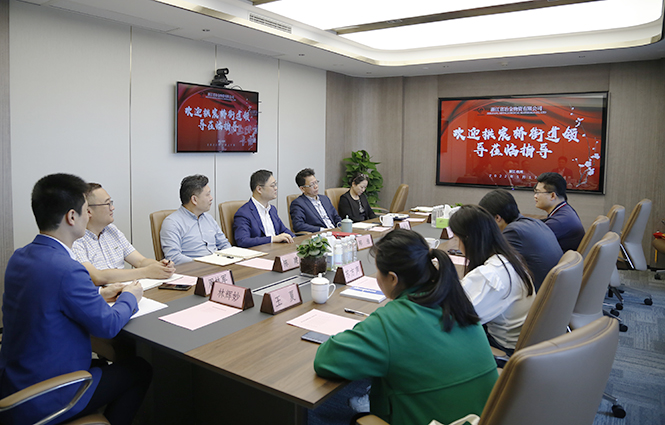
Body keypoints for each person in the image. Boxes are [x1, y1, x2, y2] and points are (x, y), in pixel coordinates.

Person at [0, 173, 151, 425]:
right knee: (139, 370)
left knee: (112, 366)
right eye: (85, 210)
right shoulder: (68, 269)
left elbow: (49, 300)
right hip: (46, 394)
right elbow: (108, 325)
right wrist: (130, 297)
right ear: (72, 216)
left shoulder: (20, 256)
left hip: (14, 382)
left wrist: (99, 294)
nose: (88, 216)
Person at [314, 229, 498, 425]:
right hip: (487, 417)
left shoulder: (391, 322)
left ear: (393, 279)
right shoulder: (456, 302)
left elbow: (326, 360)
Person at [449, 205, 535, 353]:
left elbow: (454, 318)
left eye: (457, 239)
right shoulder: (510, 258)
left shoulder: (490, 275)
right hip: (521, 342)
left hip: (504, 349)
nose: (457, 245)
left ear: (468, 239)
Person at [73, 183, 176, 285]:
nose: (112, 208)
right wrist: (146, 272)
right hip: (102, 293)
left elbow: (140, 261)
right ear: (88, 211)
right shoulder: (75, 239)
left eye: (111, 202)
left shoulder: (112, 230)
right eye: (107, 204)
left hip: (126, 289)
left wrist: (161, 266)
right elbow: (97, 277)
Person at [479, 189, 563, 292]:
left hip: (538, 293)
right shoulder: (534, 222)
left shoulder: (513, 232)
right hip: (554, 290)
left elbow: (488, 261)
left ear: (497, 218)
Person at [161, 174, 231, 265]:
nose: (211, 198)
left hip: (218, 266)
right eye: (207, 194)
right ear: (194, 199)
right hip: (193, 269)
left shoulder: (209, 218)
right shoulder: (172, 223)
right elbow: (174, 257)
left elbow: (224, 244)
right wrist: (204, 264)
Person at [233, 170, 294, 247]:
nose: (276, 188)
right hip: (260, 252)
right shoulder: (244, 213)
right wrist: (272, 239)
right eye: (272, 185)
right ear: (259, 189)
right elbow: (243, 241)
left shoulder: (272, 209)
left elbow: (283, 230)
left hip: (278, 250)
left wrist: (296, 239)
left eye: (275, 185)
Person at [534, 172, 585, 252]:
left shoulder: (559, 221)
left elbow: (531, 241)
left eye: (538, 192)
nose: (535, 196)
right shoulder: (566, 210)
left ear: (552, 196)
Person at [289, 168, 341, 233]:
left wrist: (342, 228)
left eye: (316, 182)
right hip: (320, 235)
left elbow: (336, 217)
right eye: (312, 185)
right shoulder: (298, 204)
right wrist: (322, 230)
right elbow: (298, 225)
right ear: (302, 189)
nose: (316, 186)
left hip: (336, 232)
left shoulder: (325, 199)